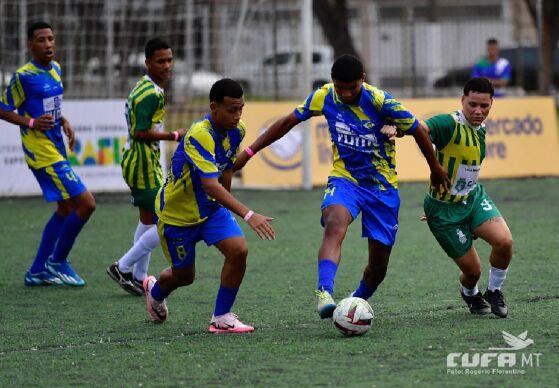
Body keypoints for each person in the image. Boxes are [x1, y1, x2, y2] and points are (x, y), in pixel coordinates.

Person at [233, 54, 449, 319]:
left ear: (363, 80)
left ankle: (355, 302)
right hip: (345, 179)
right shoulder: (324, 96)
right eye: (340, 87)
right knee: (335, 222)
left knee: (378, 267)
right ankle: (324, 291)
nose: (345, 93)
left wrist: (435, 168)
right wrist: (249, 152)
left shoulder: (381, 101)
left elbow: (417, 130)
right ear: (332, 82)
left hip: (382, 188)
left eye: (352, 88)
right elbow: (287, 122)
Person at [143, 78, 274, 333]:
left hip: (211, 210)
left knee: (238, 251)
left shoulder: (238, 130)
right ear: (214, 107)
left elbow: (226, 169)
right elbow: (210, 185)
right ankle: (155, 290)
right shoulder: (199, 135)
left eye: (241, 109)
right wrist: (248, 214)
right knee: (184, 277)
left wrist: (227, 206)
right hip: (177, 217)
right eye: (231, 110)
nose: (237, 116)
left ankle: (221, 317)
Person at [0, 21, 96, 286]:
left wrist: (64, 122)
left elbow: (50, 106)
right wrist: (30, 122)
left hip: (56, 146)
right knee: (86, 203)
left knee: (65, 207)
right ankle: (57, 261)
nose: (48, 44)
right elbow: (4, 108)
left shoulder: (55, 69)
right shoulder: (23, 76)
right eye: (41, 40)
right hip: (40, 151)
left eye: (51, 39)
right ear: (31, 45)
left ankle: (38, 269)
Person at [421, 77, 512, 318]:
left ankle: (494, 291)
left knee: (504, 242)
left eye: (485, 106)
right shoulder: (449, 123)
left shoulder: (481, 129)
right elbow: (420, 129)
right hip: (443, 212)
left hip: (472, 199)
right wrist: (395, 129)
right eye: (472, 104)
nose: (478, 111)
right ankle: (470, 293)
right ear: (462, 100)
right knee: (473, 272)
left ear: (492, 103)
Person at [106, 38, 185, 296]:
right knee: (164, 221)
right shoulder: (150, 93)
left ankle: (138, 276)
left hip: (141, 160)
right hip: (142, 163)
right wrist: (173, 136)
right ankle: (123, 266)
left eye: (169, 60)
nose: (166, 65)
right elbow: (141, 132)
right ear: (147, 62)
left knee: (148, 219)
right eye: (160, 61)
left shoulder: (148, 87)